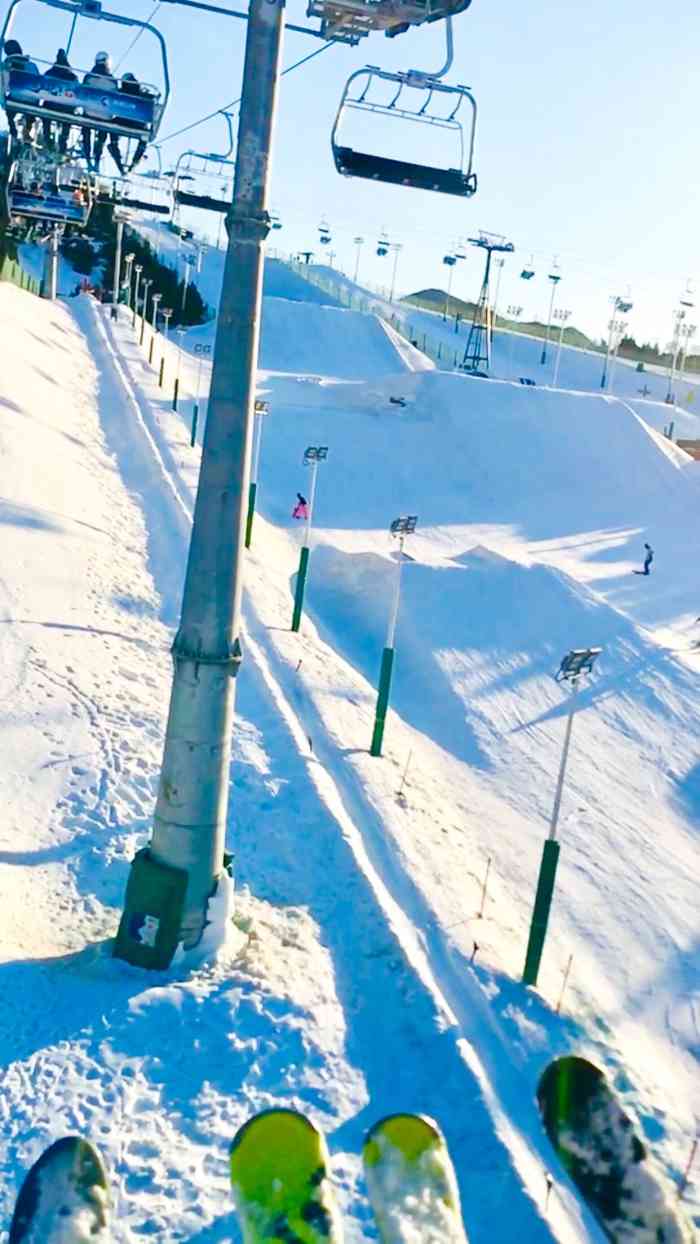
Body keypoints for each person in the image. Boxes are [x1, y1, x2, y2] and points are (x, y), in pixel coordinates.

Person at [82, 52, 125, 174]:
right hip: (105, 115)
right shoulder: (112, 81)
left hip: (89, 112)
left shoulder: (89, 77)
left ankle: (88, 158)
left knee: (86, 130)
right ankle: (97, 159)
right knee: (102, 133)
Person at [2, 39, 39, 145]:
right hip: (31, 98)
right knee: (31, 110)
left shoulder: (7, 65)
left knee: (9, 111)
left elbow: (4, 84)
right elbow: (38, 83)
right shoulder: (31, 65)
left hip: (17, 96)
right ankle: (27, 129)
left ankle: (13, 130)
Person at [42, 49, 78, 153]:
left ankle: (47, 136)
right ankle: (63, 139)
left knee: (45, 112)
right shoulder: (72, 77)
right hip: (66, 108)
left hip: (51, 105)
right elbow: (77, 93)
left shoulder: (50, 73)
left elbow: (42, 86)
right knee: (69, 116)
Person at [119, 72, 149, 172]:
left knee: (111, 133)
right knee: (144, 139)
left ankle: (117, 155)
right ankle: (134, 162)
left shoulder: (122, 92)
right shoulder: (140, 92)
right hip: (138, 123)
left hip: (123, 120)